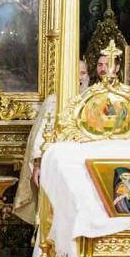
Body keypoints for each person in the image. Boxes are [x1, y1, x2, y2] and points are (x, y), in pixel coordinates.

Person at [13, 60, 90, 226]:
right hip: (58, 168)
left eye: (83, 73)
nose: (80, 78)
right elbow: (42, 135)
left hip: (86, 168)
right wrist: (38, 165)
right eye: (76, 74)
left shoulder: (94, 100)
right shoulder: (54, 101)